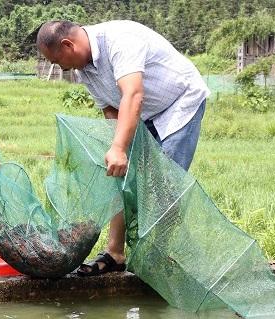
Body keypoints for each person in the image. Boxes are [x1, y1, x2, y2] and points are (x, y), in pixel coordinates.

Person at [37, 20, 209, 276]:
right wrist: (118, 149)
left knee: (163, 185)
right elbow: (111, 109)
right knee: (120, 175)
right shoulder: (84, 69)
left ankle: (158, 256)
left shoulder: (120, 40)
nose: (57, 67)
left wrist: (119, 146)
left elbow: (133, 95)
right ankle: (115, 253)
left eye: (55, 60)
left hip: (179, 104)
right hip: (144, 114)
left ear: (67, 44)